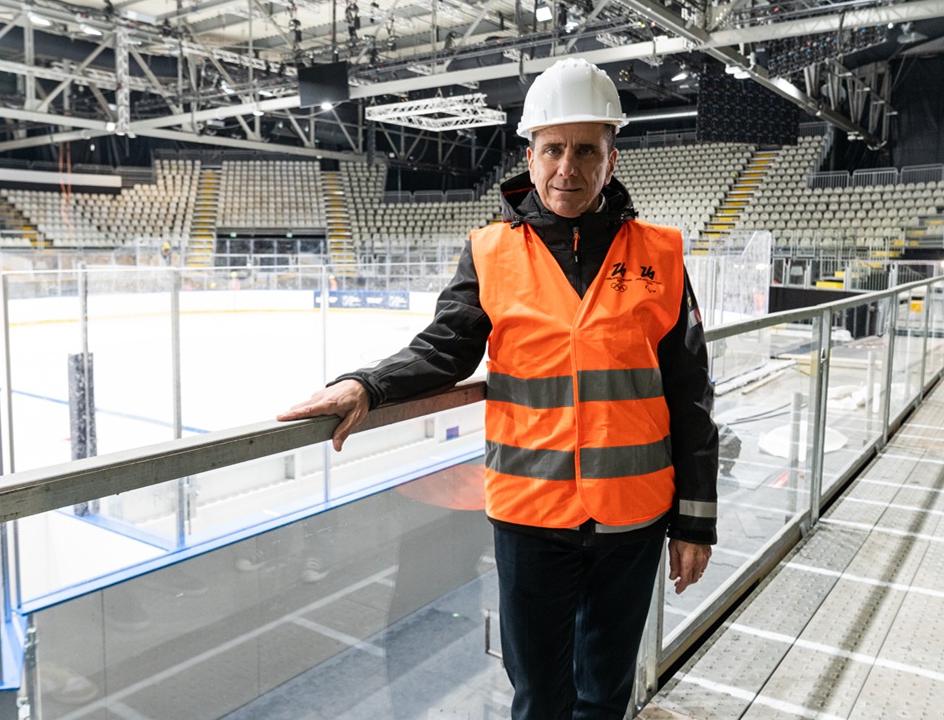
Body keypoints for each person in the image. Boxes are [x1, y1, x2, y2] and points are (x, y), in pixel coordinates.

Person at [278, 58, 718, 720]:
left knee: (605, 691)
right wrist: (366, 385)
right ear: (531, 153)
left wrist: (694, 521)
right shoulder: (490, 251)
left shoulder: (660, 252)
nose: (568, 167)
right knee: (538, 693)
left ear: (612, 156)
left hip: (633, 516)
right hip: (529, 515)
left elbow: (690, 393)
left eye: (586, 150)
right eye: (554, 149)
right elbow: (444, 347)